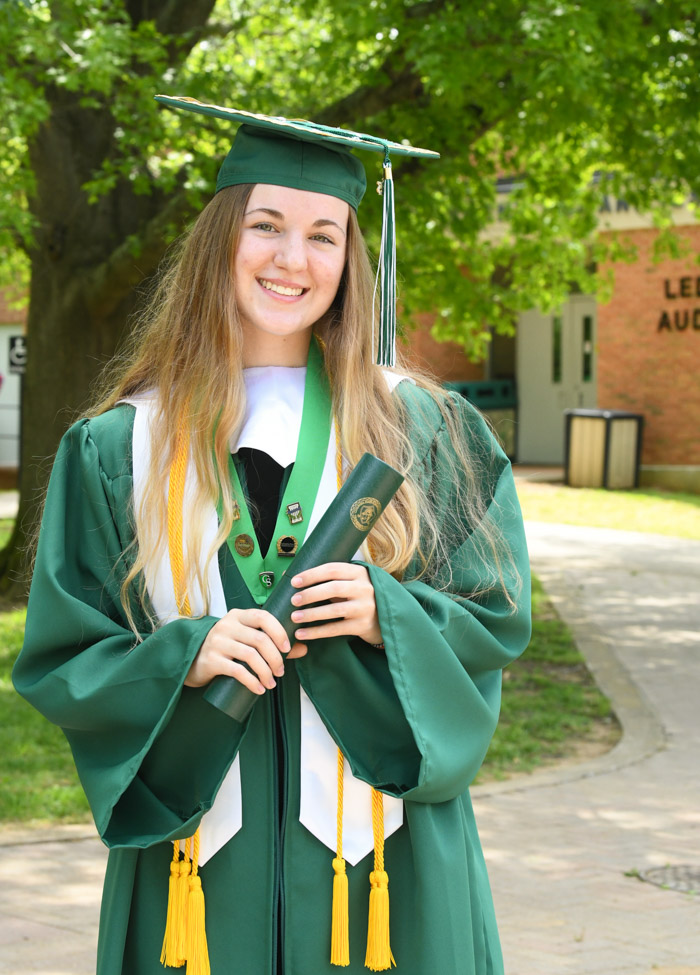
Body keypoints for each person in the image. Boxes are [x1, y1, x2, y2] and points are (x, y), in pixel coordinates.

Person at [13, 98, 531, 975]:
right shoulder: (116, 448)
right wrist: (185, 653)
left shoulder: (423, 427)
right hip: (197, 867)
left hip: (386, 867)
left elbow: (493, 620)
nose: (294, 259)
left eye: (324, 234)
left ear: (352, 257)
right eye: (267, 225)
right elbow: (66, 656)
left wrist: (388, 616)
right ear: (221, 238)